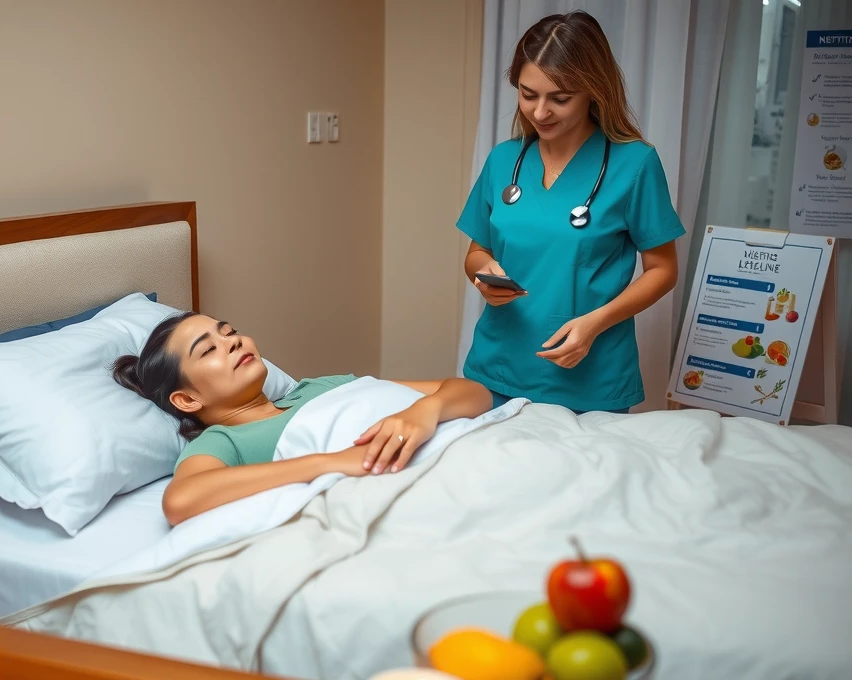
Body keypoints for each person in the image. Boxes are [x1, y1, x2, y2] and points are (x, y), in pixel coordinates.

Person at [457, 10, 686, 414]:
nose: (540, 112)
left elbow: (663, 270)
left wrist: (595, 323)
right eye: (528, 94)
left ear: (593, 91)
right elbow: (477, 252)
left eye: (560, 98)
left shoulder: (634, 165)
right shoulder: (504, 160)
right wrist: (484, 276)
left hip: (587, 373)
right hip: (498, 366)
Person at [113, 312, 492, 525]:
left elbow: (473, 392)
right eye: (210, 349)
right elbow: (181, 500)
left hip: (473, 449)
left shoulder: (319, 387)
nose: (233, 341)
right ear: (188, 398)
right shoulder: (226, 440)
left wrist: (424, 411)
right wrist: (333, 462)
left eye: (229, 332)